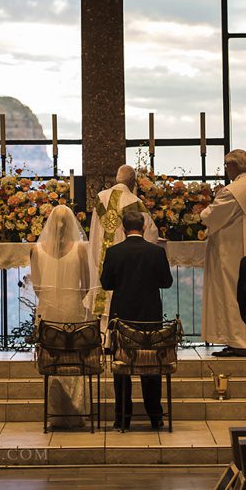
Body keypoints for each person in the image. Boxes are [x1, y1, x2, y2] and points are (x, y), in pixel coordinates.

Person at [100, 208, 173, 430]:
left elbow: (106, 284)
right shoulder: (156, 252)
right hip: (150, 315)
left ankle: (122, 418)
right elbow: (166, 282)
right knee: (151, 365)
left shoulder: (114, 252)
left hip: (122, 317)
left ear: (123, 229)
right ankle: (155, 416)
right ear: (143, 228)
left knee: (122, 366)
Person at [30, 204, 98, 428]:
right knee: (76, 357)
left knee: (52, 359)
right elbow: (87, 285)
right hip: (72, 309)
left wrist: (51, 297)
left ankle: (55, 413)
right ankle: (77, 411)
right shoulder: (79, 249)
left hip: (48, 310)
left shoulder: (36, 249)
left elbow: (37, 288)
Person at [200, 149, 246, 355]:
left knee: (230, 292)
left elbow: (210, 216)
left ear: (235, 166)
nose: (226, 169)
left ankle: (237, 341)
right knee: (243, 293)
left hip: (230, 249)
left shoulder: (233, 190)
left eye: (227, 165)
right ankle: (244, 339)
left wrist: (202, 209)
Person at [88, 164, 158, 322]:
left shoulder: (100, 198)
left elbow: (94, 232)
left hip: (102, 259)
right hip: (127, 269)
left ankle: (105, 341)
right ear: (133, 182)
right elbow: (150, 233)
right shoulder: (135, 202)